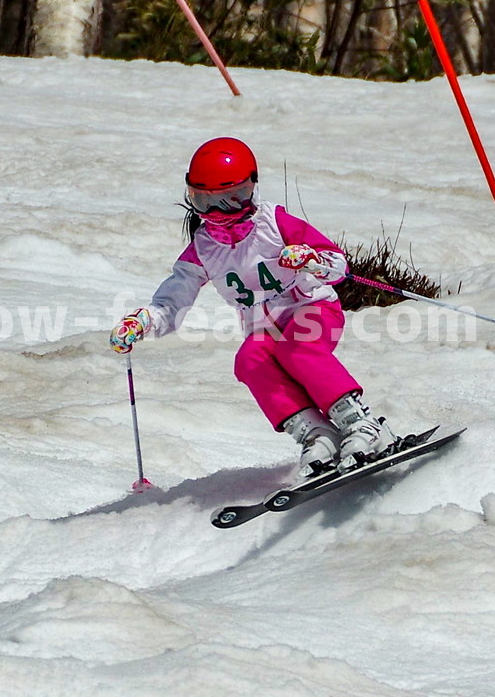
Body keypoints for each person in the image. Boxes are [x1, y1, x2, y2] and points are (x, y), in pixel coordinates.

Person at [109, 136, 396, 478]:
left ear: (253, 188)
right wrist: (145, 321)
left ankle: (363, 425)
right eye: (205, 201)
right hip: (265, 327)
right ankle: (318, 436)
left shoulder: (274, 223)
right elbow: (173, 300)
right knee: (249, 359)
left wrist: (310, 258)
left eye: (235, 198)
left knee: (298, 349)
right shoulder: (203, 249)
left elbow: (338, 266)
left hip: (312, 307)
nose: (220, 213)